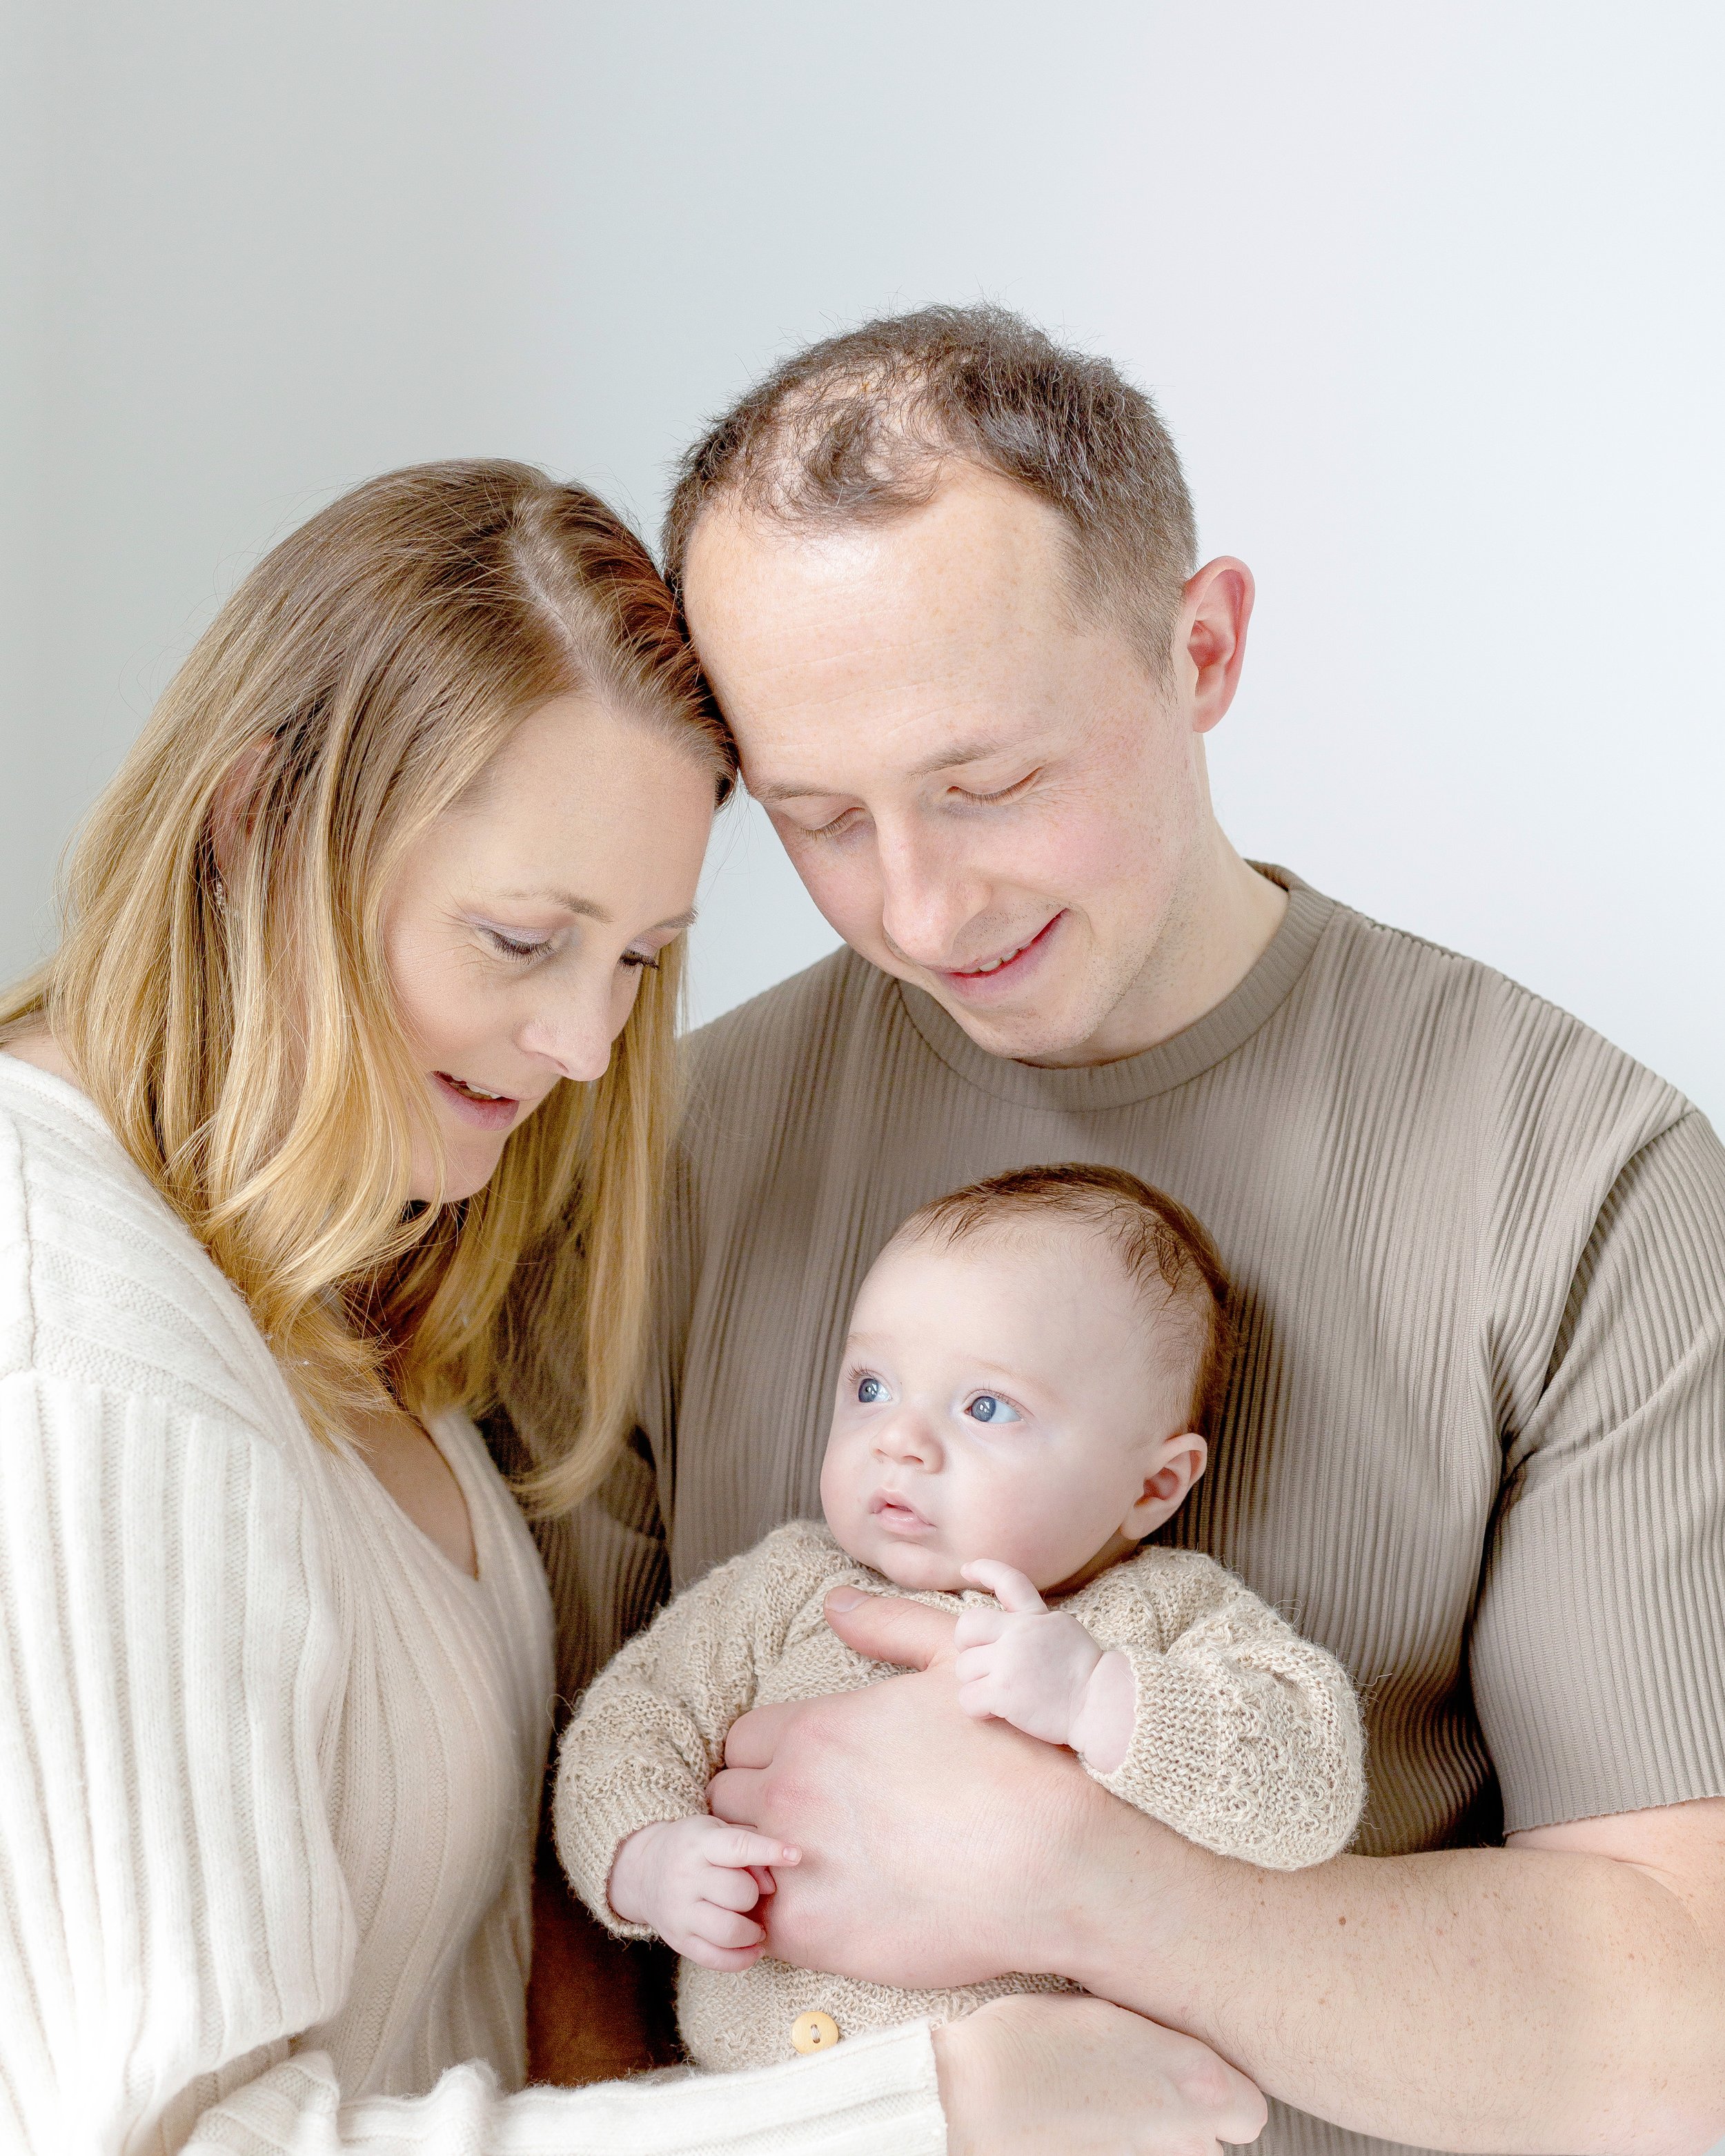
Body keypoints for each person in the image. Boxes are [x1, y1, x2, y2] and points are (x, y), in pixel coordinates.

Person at [506, 308, 1725, 2155]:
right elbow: (540, 1895)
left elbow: (1677, 2024)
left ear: (1201, 644)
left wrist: (1068, 1874)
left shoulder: (1586, 1179)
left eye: (986, 782)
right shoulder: (654, 1159)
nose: (916, 906)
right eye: (821, 821)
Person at [0, 459, 1245, 2155]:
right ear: (251, 825)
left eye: (641, 960)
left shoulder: (320, 1253)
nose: (586, 1047)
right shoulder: (76, 1343)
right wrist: (927, 2111)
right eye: (523, 939)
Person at [554, 1163, 1366, 2074]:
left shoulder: (1157, 1614)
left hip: (1047, 2115)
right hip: (764, 2114)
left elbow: (1309, 1786)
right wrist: (650, 1857)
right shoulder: (782, 1589)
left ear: (1154, 1484)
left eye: (985, 1406)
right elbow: (630, 1723)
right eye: (870, 1386)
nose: (898, 1437)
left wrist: (1103, 1696)